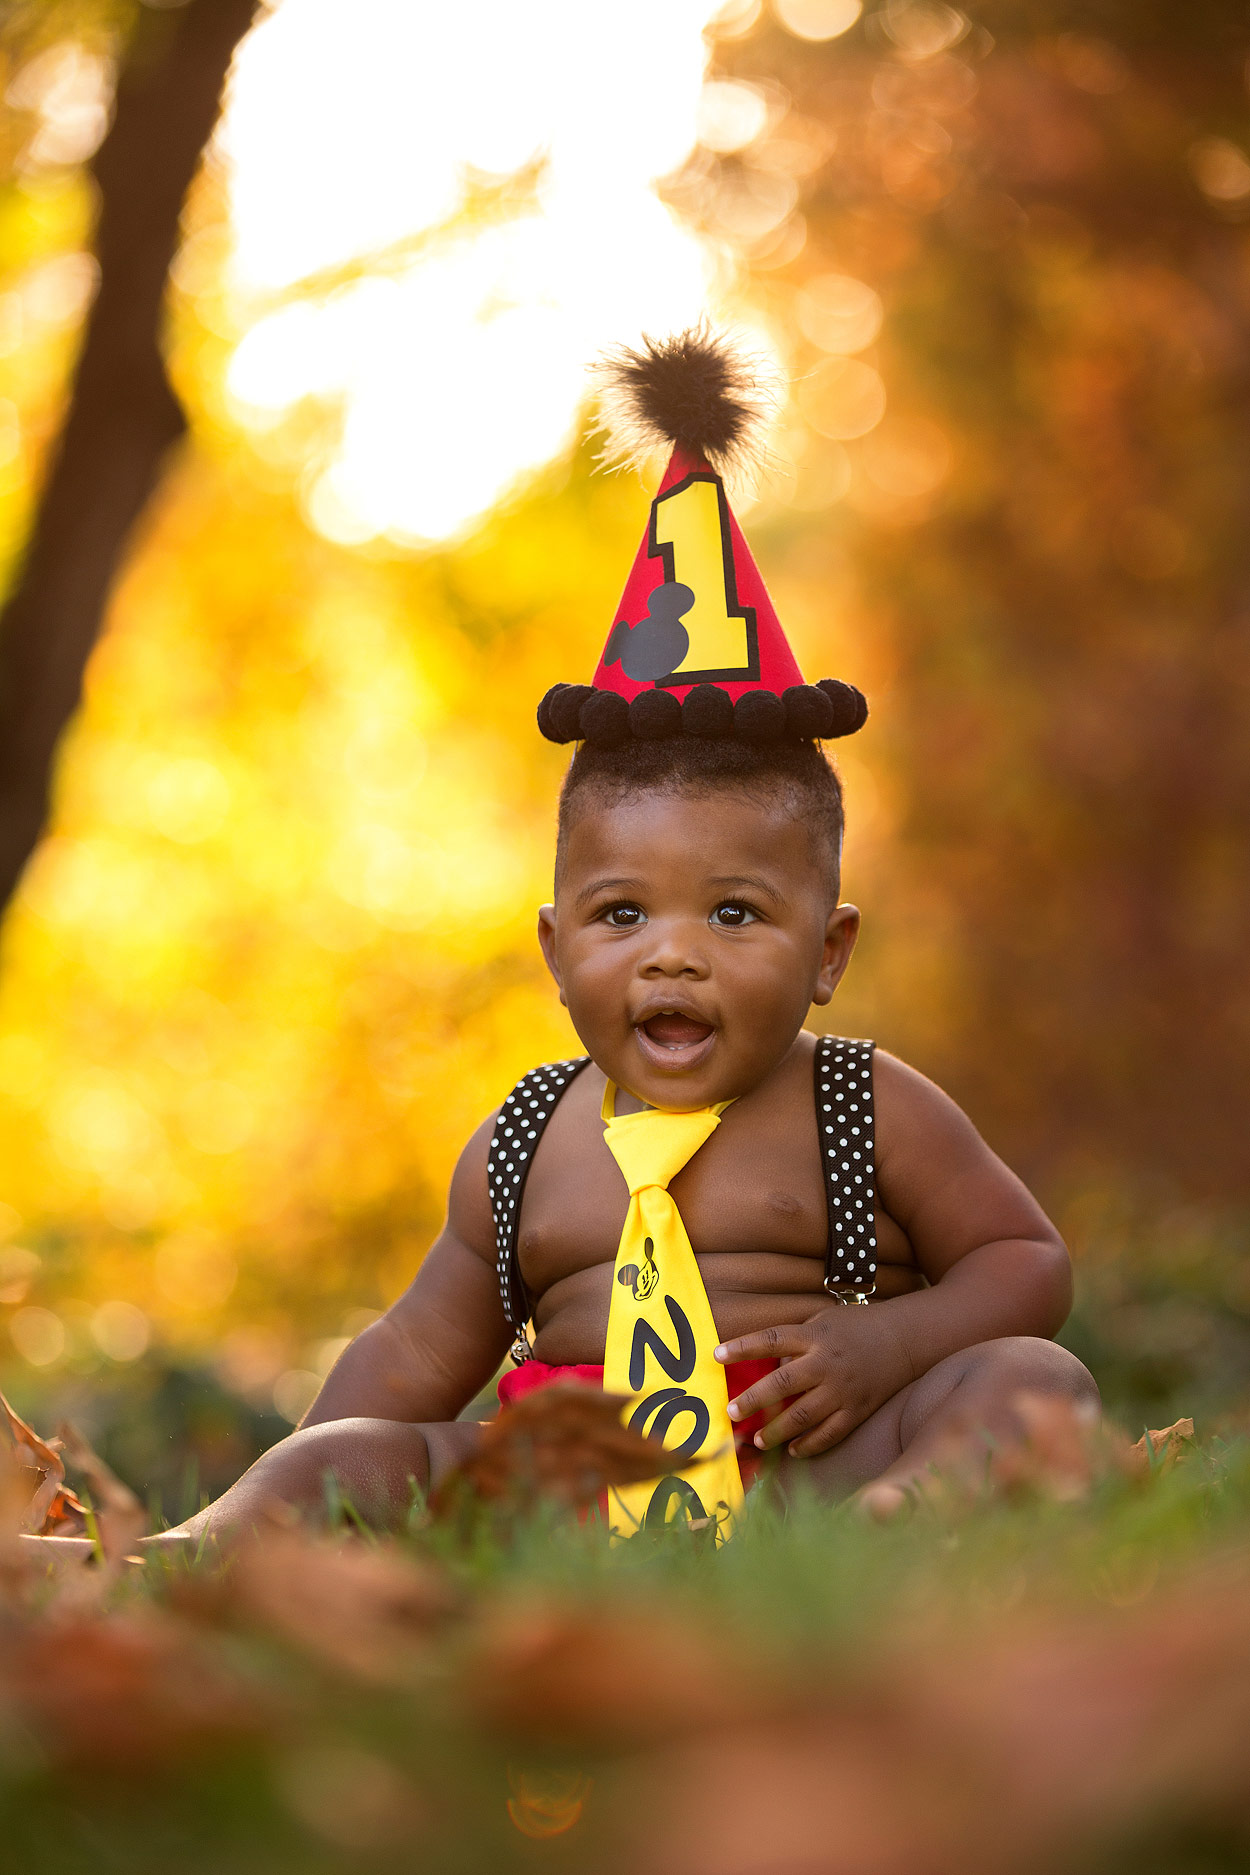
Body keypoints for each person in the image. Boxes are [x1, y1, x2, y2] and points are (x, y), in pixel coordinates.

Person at [175, 332, 1096, 1545]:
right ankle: (192, 1557)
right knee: (347, 1453)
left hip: (815, 1462)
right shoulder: (521, 1148)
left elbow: (1023, 1260)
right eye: (622, 916)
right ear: (557, 952)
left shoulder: (863, 1103)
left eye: (732, 913)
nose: (673, 955)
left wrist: (888, 1342)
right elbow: (412, 1352)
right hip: (567, 1495)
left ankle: (899, 1520)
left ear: (827, 952)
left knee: (1032, 1379)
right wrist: (329, 1472)